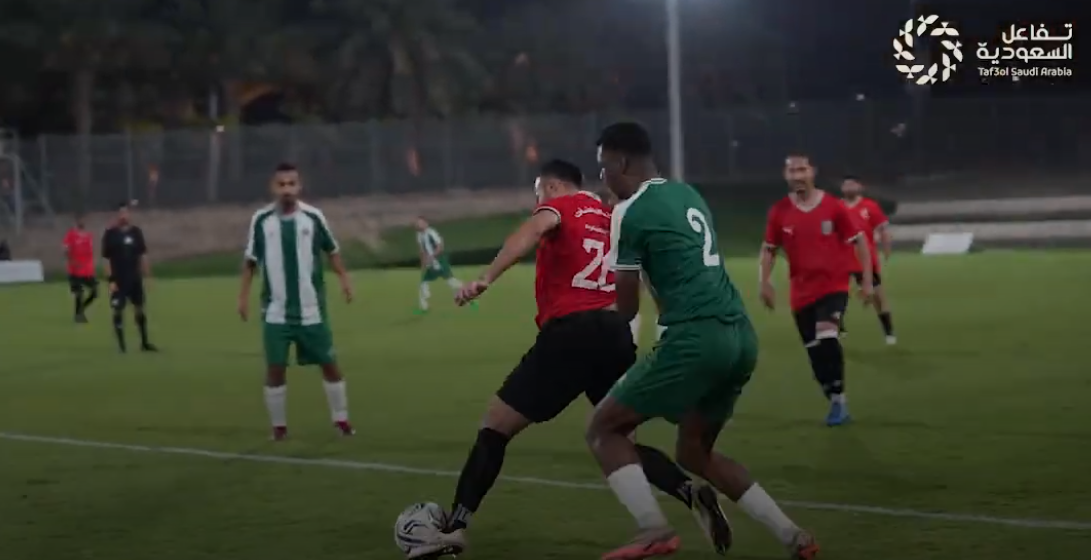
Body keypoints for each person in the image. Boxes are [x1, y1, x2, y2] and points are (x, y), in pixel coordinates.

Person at [408, 159, 731, 559]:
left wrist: (485, 278)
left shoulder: (561, 206)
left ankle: (454, 528)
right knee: (617, 437)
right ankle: (689, 491)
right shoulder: (611, 217)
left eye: (538, 193)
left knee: (495, 426)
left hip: (572, 333)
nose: (537, 202)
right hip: (614, 332)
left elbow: (531, 231)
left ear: (553, 186)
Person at [586, 122, 818, 560]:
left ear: (622, 162)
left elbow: (627, 307)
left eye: (604, 166)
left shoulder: (628, 212)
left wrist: (589, 325)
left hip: (695, 339)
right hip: (740, 336)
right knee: (694, 452)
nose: (602, 177)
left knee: (603, 429)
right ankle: (794, 537)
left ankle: (652, 529)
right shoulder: (688, 194)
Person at [237, 163, 356, 441]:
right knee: (275, 368)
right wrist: (242, 297)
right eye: (281, 184)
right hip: (275, 312)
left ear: (299, 187)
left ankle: (341, 420)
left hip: (311, 309)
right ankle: (279, 428)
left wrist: (345, 280)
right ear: (273, 187)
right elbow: (250, 261)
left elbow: (332, 250)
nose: (287, 190)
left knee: (329, 364)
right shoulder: (261, 219)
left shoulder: (313, 217)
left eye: (291, 184)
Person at [760, 156, 874, 427]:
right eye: (792, 170)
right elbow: (769, 248)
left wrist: (867, 281)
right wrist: (764, 281)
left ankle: (839, 400)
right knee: (815, 353)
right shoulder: (779, 211)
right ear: (785, 175)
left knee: (827, 335)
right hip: (801, 293)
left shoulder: (834, 207)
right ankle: (832, 392)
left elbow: (859, 242)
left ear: (813, 172)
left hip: (833, 286)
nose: (798, 175)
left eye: (802, 169)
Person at [839, 177, 895, 344]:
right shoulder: (836, 207)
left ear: (860, 187)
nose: (849, 186)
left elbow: (883, 228)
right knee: (835, 295)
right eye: (846, 183)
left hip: (865, 258)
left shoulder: (870, 206)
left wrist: (886, 247)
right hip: (841, 258)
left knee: (878, 296)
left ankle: (889, 332)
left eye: (853, 183)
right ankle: (837, 328)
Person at [102, 202, 157, 352]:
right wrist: (110, 280)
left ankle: (144, 343)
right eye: (121, 213)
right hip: (118, 281)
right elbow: (106, 259)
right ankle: (122, 346)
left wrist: (148, 276)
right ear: (117, 215)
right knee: (118, 310)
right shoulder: (110, 234)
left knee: (139, 309)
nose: (123, 216)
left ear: (129, 214)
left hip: (135, 279)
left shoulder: (136, 233)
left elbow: (143, 255)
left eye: (125, 213)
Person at [415, 217, 473, 313]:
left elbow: (440, 246)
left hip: (439, 261)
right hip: (431, 263)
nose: (418, 225)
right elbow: (422, 251)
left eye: (420, 223)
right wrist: (423, 263)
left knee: (451, 282)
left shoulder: (431, 233)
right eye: (417, 223)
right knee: (424, 283)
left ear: (426, 223)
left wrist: (432, 257)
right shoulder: (419, 236)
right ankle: (424, 307)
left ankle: (469, 294)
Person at [63, 215, 98, 323]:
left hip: (87, 271)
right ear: (76, 221)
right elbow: (66, 250)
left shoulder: (89, 236)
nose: (82, 222)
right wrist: (72, 261)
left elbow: (90, 253)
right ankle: (78, 316)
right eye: (80, 220)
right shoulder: (71, 234)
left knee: (95, 292)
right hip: (75, 270)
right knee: (79, 293)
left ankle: (81, 309)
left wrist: (91, 266)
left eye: (84, 220)